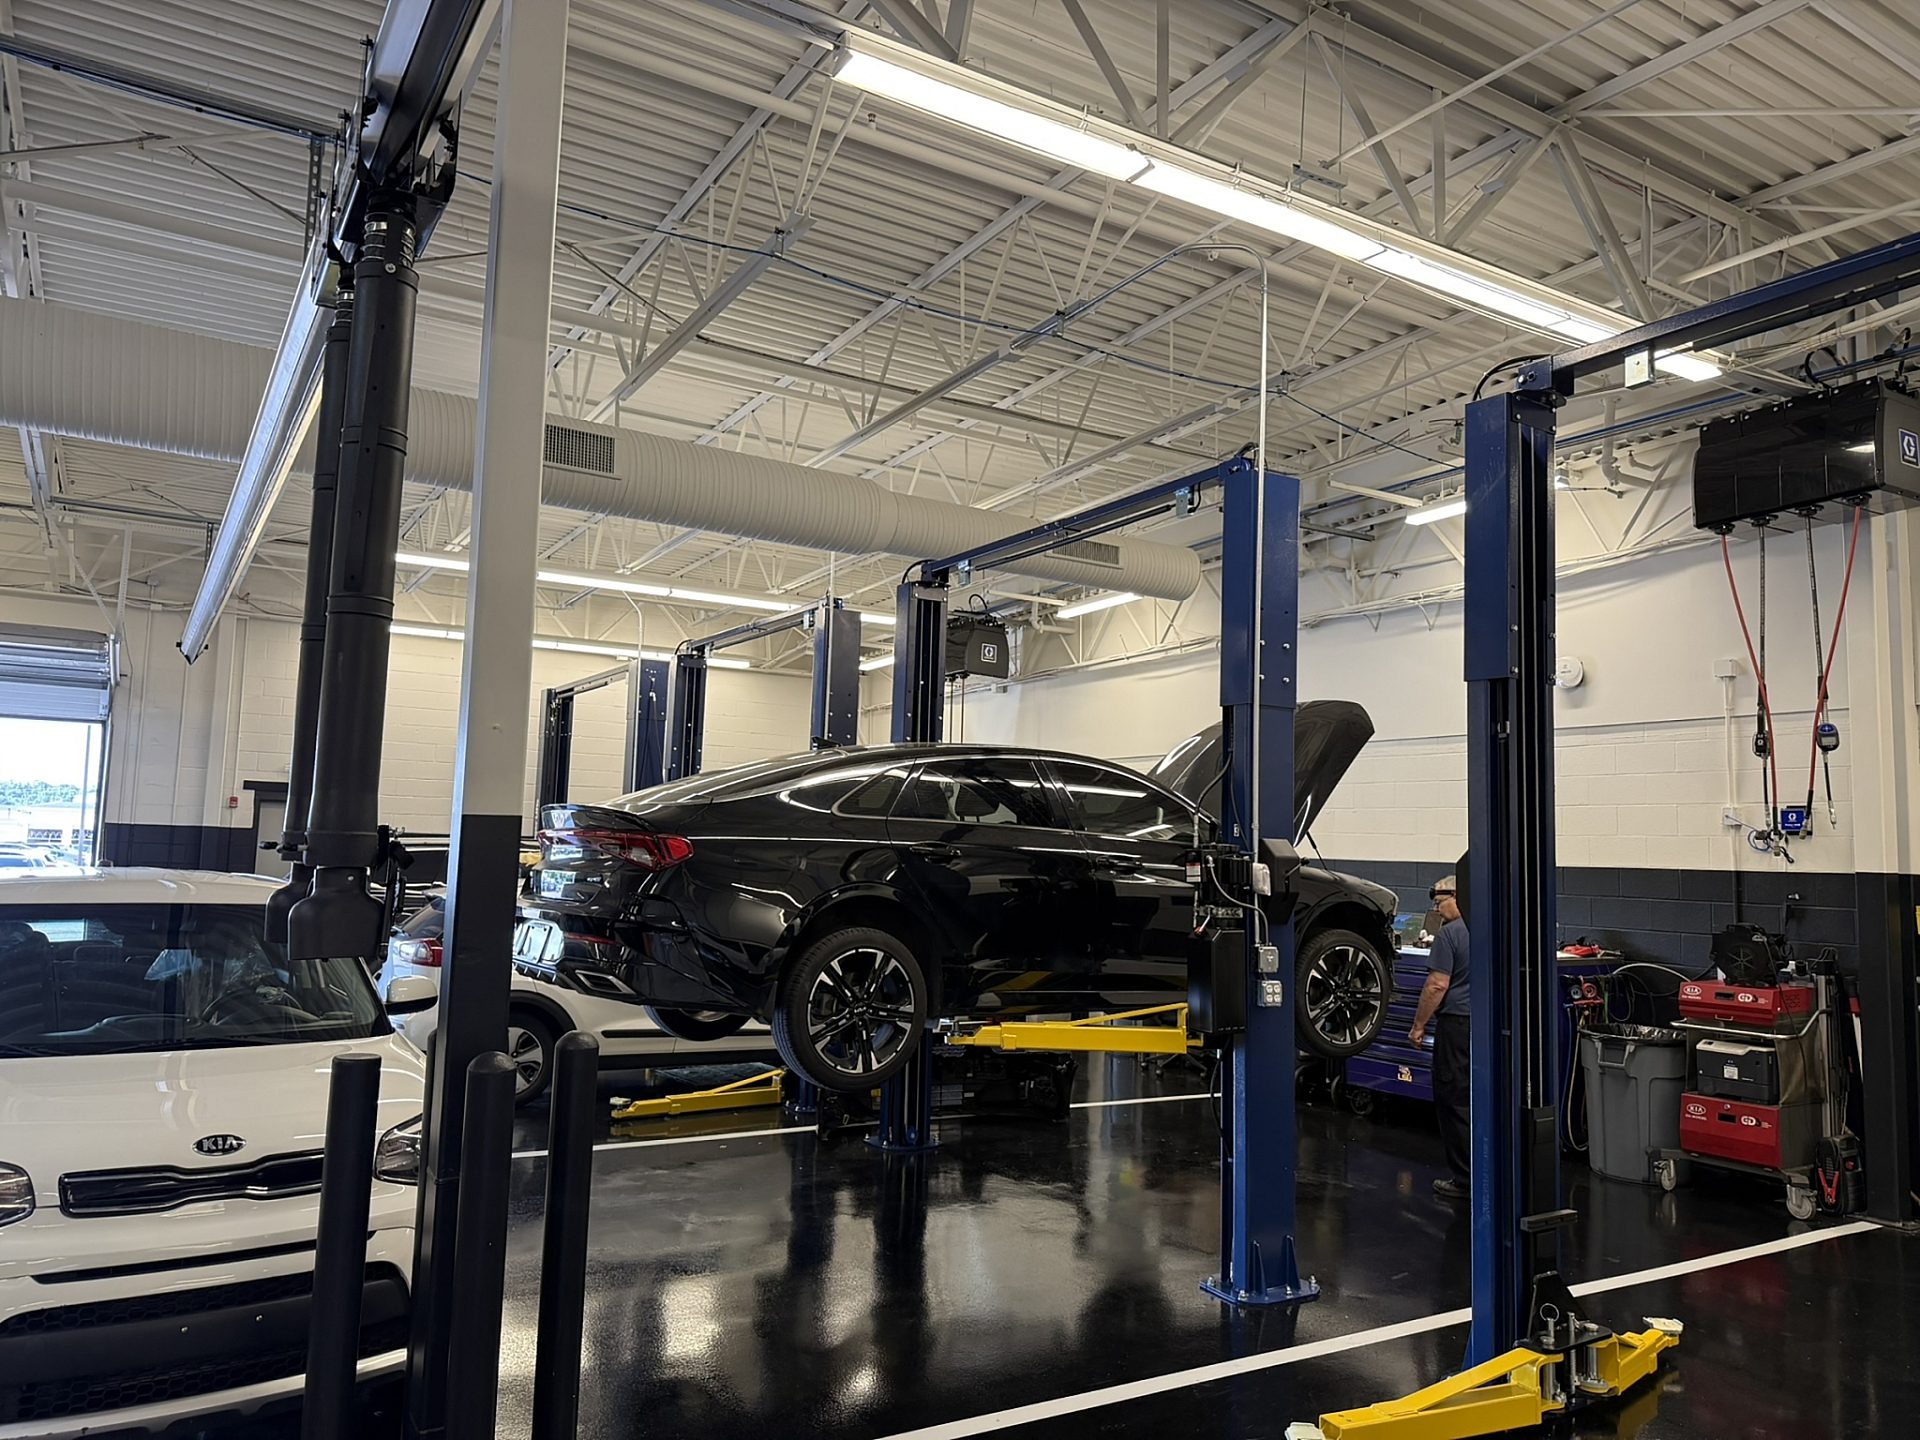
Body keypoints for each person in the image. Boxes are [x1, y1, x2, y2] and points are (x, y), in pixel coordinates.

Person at [1409, 875, 1470, 1200]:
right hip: (1487, 1028)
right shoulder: (1490, 928)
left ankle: (1465, 1180)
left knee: (1454, 1099)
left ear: (1459, 896)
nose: (1437, 908)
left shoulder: (1450, 934)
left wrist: (1418, 1026)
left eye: (1440, 901)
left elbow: (1436, 985)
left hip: (1457, 1026)